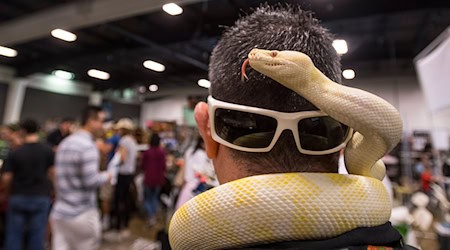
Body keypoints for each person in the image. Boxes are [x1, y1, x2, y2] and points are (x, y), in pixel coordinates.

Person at [169, 5, 413, 249]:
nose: (262, 56)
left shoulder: (189, 223)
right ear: (345, 132)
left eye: (274, 54)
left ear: (206, 130)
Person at [50, 106, 112, 250]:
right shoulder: (88, 146)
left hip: (60, 213)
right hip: (81, 213)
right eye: (101, 121)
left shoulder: (65, 143)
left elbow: (56, 174)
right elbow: (91, 180)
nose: (102, 126)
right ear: (91, 121)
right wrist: (106, 176)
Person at [2, 119, 54, 250]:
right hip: (41, 197)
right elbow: (52, 173)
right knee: (36, 236)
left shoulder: (15, 152)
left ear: (23, 131)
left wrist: (6, 194)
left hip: (18, 196)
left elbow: (7, 178)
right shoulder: (47, 151)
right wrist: (53, 191)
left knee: (14, 235)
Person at [111, 118, 138, 238]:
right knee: (127, 200)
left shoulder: (123, 141)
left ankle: (118, 226)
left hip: (122, 174)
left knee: (118, 200)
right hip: (130, 174)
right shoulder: (133, 141)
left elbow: (122, 158)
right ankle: (125, 224)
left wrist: (114, 162)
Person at [175, 137, 215, 209]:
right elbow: (199, 172)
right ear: (203, 144)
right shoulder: (201, 154)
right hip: (195, 185)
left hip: (187, 183)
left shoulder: (190, 151)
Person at [141, 133, 166, 226]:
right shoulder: (162, 152)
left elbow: (142, 166)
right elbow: (164, 166)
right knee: (154, 198)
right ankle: (153, 216)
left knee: (147, 198)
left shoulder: (147, 152)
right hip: (158, 179)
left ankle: (150, 215)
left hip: (148, 178)